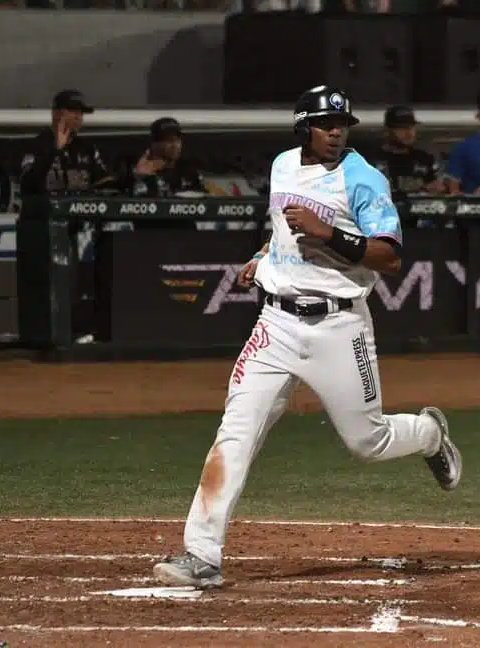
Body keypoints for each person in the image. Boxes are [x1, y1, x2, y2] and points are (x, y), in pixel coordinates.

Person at [152, 86, 462, 588]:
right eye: (325, 124)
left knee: (369, 440)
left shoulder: (363, 179)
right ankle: (201, 554)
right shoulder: (281, 166)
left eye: (342, 124)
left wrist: (329, 233)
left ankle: (429, 434)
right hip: (275, 325)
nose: (336, 132)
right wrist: (263, 259)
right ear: (304, 127)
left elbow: (390, 256)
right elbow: (280, 231)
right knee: (236, 430)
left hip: (339, 325)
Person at [18, 89, 115, 196]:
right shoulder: (35, 146)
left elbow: (106, 183)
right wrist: (56, 150)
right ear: (56, 114)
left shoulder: (87, 148)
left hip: (81, 210)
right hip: (45, 209)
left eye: (81, 113)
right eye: (74, 111)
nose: (79, 117)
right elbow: (27, 184)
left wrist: (135, 177)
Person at [367, 106, 450, 198]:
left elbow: (440, 188)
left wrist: (438, 188)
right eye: (402, 128)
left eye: (412, 127)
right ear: (387, 130)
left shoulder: (425, 159)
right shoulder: (371, 161)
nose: (409, 132)